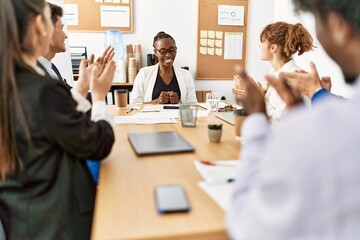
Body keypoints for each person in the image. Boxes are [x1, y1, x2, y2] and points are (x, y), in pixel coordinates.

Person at [227, 0, 360, 239]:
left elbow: (247, 226)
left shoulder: (293, 80)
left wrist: (257, 116)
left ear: (339, 25)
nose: (259, 45)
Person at [0, 0, 116, 239]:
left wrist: (84, 86)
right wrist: (100, 96)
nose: (63, 32)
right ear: (39, 24)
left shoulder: (14, 81)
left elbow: (52, 122)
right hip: (61, 224)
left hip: (26, 221)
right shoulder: (41, 89)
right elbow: (98, 144)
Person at [234, 21, 314, 121]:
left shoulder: (292, 78)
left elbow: (278, 119)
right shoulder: (275, 72)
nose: (260, 46)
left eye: (262, 42)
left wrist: (256, 96)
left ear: (273, 48)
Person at [130, 31, 197, 104]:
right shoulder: (144, 74)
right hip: (151, 116)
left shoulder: (186, 75)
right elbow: (134, 105)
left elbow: (193, 105)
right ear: (155, 52)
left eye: (172, 50)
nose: (168, 55)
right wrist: (156, 102)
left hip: (178, 116)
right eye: (162, 51)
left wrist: (179, 102)